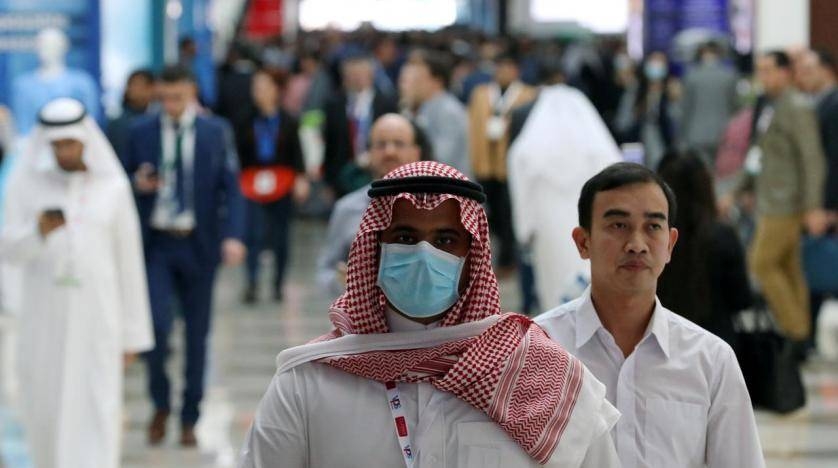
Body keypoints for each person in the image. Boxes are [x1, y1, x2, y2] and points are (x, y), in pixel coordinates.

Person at [241, 161, 620, 467]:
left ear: (471, 257)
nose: (424, 254)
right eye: (405, 237)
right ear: (375, 248)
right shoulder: (309, 382)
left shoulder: (542, 376)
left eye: (445, 240)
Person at [536, 162, 764, 468]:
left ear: (670, 244)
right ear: (583, 241)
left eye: (653, 227)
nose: (637, 244)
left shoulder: (711, 362)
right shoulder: (539, 349)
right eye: (618, 226)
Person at [0, 98, 153, 468]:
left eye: (70, 143)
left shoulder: (112, 187)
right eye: (56, 145)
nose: (63, 152)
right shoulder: (28, 184)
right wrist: (37, 232)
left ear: (85, 141)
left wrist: (133, 335)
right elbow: (8, 250)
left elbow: (128, 261)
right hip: (42, 318)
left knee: (96, 405)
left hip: (98, 318)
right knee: (45, 406)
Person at [123, 65, 246, 447]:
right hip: (156, 243)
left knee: (198, 334)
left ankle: (190, 414)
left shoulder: (215, 131)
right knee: (156, 328)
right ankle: (160, 403)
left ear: (191, 92)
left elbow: (231, 185)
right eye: (165, 98)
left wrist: (234, 236)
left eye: (178, 97)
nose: (171, 105)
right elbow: (118, 182)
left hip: (198, 243)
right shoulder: (139, 132)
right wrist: (136, 183)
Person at [507, 57, 622, 310]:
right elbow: (614, 169)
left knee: (552, 286)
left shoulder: (531, 143)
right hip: (589, 221)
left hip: (547, 223)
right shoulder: (591, 139)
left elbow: (519, 177)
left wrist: (523, 228)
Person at [737, 51, 827, 348]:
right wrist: (742, 189)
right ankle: (801, 337)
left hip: (787, 203)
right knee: (788, 269)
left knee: (761, 264)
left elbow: (812, 159)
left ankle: (795, 331)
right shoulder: (767, 105)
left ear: (785, 73)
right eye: (759, 71)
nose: (763, 77)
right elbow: (758, 154)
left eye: (768, 70)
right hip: (769, 198)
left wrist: (813, 205)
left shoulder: (796, 107)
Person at [315, 113, 425, 297]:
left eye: (399, 143)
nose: (390, 152)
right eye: (381, 144)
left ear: (416, 152)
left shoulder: (438, 206)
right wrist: (342, 281)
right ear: (369, 153)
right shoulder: (346, 208)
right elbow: (325, 271)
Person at [656, 151, 753, 346]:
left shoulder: (654, 239)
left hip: (662, 340)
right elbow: (742, 298)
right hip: (717, 341)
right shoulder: (721, 235)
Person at [235, 68, 308, 304]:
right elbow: (237, 155)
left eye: (264, 87)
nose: (259, 93)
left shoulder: (288, 120)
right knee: (253, 233)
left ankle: (278, 283)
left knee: (280, 235)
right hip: (252, 181)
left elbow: (297, 153)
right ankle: (252, 282)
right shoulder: (244, 118)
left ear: (275, 90)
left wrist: (300, 178)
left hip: (282, 181)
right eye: (256, 88)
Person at [468, 53, 537, 270]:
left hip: (511, 166)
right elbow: (473, 127)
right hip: (486, 164)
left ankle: (509, 258)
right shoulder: (481, 94)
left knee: (509, 212)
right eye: (500, 67)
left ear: (517, 70)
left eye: (509, 67)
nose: (504, 72)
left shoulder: (527, 95)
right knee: (490, 213)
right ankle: (490, 257)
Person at [322, 54, 398, 196]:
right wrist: (328, 181)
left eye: (361, 74)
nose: (357, 79)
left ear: (371, 75)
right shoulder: (334, 104)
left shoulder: (387, 103)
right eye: (352, 75)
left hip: (378, 174)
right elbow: (330, 143)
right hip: (343, 174)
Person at [400, 49, 472, 177]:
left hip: (452, 192)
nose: (413, 85)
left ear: (437, 81)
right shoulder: (422, 109)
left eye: (418, 79)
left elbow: (440, 161)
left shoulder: (449, 112)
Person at [680, 42, 739, 168]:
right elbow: (734, 106)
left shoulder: (691, 76)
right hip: (723, 132)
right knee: (721, 170)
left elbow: (686, 109)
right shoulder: (729, 76)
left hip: (696, 133)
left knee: (700, 171)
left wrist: (682, 137)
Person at [106, 69, 157, 162]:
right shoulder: (118, 124)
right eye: (134, 85)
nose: (136, 90)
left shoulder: (159, 118)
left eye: (144, 86)